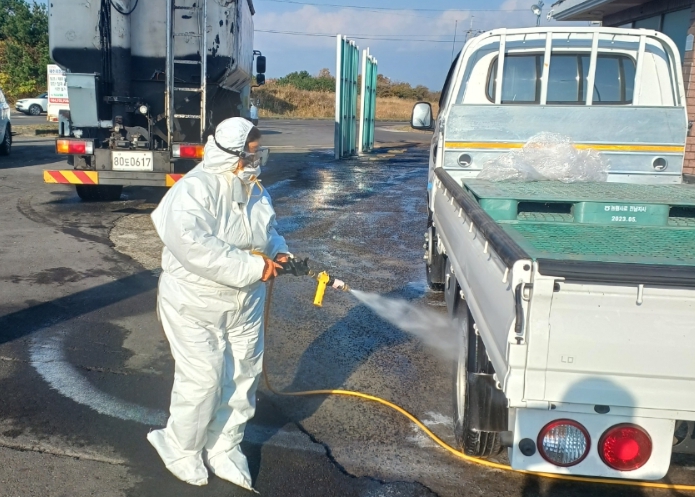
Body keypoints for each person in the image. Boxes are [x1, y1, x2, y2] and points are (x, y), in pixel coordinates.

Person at [148, 117, 289, 490]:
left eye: (258, 153)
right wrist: (253, 266)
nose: (256, 161)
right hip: (194, 302)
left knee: (244, 376)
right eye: (252, 154)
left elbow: (267, 230)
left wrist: (278, 250)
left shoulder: (253, 187)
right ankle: (181, 448)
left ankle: (224, 446)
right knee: (204, 379)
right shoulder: (194, 190)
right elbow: (194, 247)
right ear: (232, 155)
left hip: (246, 301)